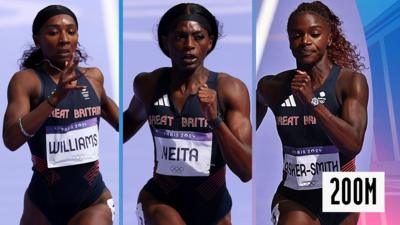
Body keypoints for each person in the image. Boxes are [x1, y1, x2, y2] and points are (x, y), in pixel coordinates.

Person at [124, 3, 252, 225]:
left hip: (213, 208)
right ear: (166, 41)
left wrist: (215, 120)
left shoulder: (229, 90)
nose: (189, 45)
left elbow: (245, 171)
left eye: (198, 37)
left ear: (210, 42)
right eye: (180, 36)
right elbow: (126, 124)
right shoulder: (148, 85)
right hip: (160, 201)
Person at [2, 5, 118, 225]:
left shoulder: (93, 78)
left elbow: (126, 125)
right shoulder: (27, 82)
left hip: (92, 200)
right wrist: (55, 99)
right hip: (42, 204)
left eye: (71, 31)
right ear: (37, 40)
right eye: (53, 32)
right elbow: (11, 139)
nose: (64, 39)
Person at [256, 1, 368, 225]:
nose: (305, 41)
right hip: (294, 193)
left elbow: (354, 144)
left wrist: (312, 101)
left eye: (314, 34)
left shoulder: (351, 81)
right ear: (289, 42)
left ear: (329, 38)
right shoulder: (272, 86)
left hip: (345, 189)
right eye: (297, 35)